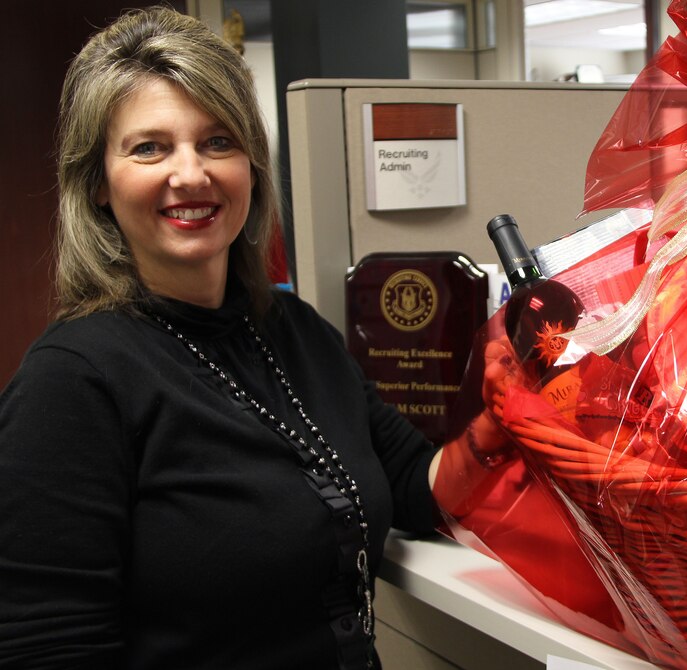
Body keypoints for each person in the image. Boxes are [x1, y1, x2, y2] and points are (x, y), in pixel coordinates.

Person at [0, 8, 511, 669]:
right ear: (98, 183)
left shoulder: (297, 333)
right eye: (149, 147)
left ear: (251, 166)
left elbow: (413, 483)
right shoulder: (72, 381)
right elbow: (46, 649)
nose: (191, 174)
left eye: (217, 142)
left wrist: (502, 412)